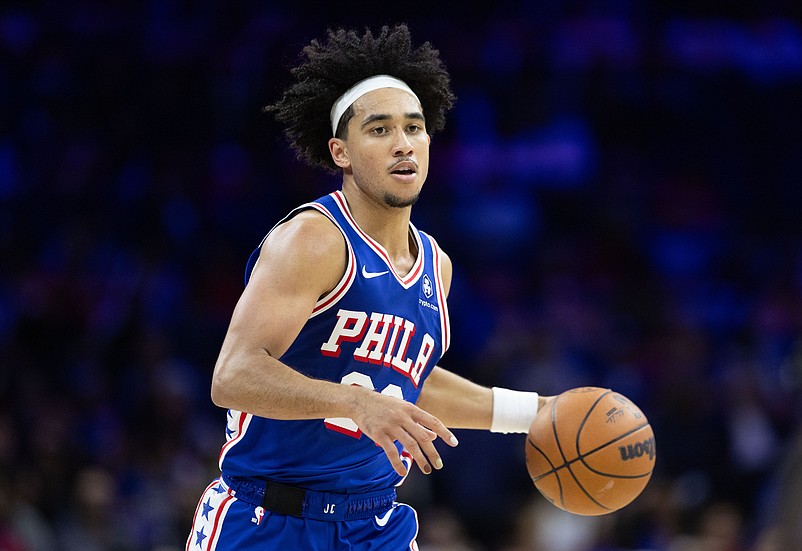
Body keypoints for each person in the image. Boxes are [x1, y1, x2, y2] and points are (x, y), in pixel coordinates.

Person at [186, 24, 551, 550]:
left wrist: (533, 413)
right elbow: (234, 375)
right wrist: (357, 406)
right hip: (271, 518)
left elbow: (404, 384)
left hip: (375, 522)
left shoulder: (436, 266)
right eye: (379, 130)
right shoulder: (315, 238)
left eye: (414, 127)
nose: (402, 143)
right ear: (341, 152)